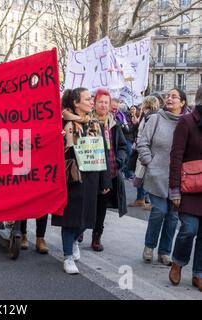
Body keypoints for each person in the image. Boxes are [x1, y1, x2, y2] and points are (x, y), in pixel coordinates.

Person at [52, 87, 111, 274]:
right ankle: (68, 256)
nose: (91, 101)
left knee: (86, 219)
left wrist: (105, 180)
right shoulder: (62, 124)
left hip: (91, 176)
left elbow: (104, 153)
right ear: (76, 103)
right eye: (87, 99)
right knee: (70, 218)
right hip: (71, 177)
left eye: (91, 98)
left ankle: (74, 240)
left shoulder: (97, 124)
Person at [137, 88, 187, 266]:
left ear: (182, 102)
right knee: (159, 212)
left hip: (179, 178)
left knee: (173, 216)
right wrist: (150, 162)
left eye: (174, 96)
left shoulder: (187, 122)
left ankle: (165, 252)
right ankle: (149, 246)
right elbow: (142, 142)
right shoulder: (156, 118)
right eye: (168, 96)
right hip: (157, 174)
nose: (169, 99)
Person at [168, 85, 202, 291]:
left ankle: (198, 273)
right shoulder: (187, 122)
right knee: (189, 229)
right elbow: (176, 156)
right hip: (188, 186)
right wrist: (174, 189)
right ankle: (178, 261)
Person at [92, 89, 127, 251]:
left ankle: (97, 236)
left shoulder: (113, 124)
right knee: (88, 204)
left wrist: (119, 160)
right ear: (95, 103)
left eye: (106, 102)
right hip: (91, 172)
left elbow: (122, 146)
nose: (104, 105)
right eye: (101, 102)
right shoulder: (87, 121)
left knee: (101, 207)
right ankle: (80, 230)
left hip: (109, 172)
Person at [128, 96, 160, 210]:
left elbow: (148, 134)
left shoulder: (152, 116)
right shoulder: (145, 115)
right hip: (141, 147)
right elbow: (140, 130)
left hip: (145, 149)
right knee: (140, 174)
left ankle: (149, 200)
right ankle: (142, 198)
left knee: (146, 175)